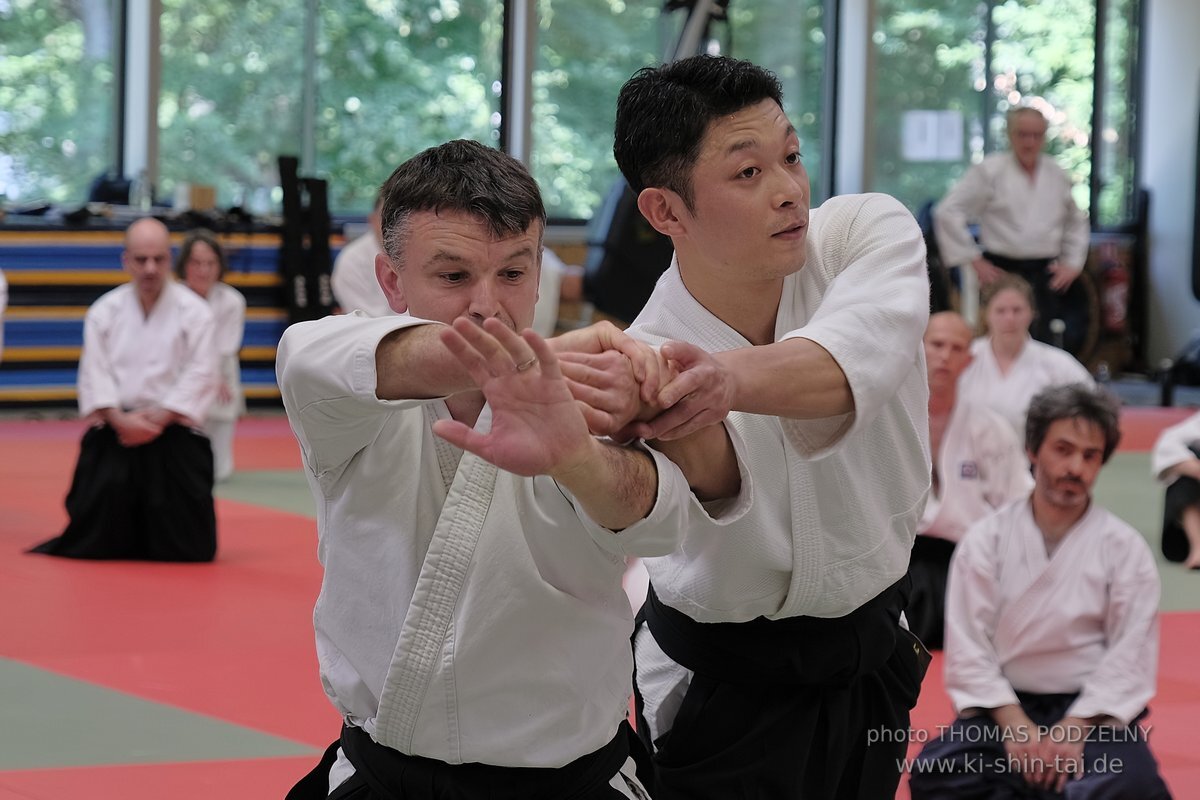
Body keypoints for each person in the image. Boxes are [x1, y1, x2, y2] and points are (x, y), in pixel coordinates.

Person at [277, 139, 727, 800]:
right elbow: (311, 356)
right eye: (454, 276)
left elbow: (656, 530)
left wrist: (573, 454)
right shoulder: (339, 378)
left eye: (513, 274)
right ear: (392, 282)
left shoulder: (602, 390)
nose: (489, 305)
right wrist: (529, 361)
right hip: (385, 775)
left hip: (572, 781)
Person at [608, 54, 932, 799]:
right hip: (720, 681)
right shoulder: (649, 354)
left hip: (873, 645)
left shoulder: (863, 235)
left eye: (790, 156)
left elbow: (853, 361)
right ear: (666, 212)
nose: (789, 190)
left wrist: (723, 382)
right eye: (747, 173)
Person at [909, 383, 1171, 799]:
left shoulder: (1124, 548)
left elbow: (1130, 653)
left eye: (1090, 456)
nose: (1076, 468)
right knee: (938, 772)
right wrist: (1016, 727)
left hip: (1092, 711)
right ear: (1032, 450)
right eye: (1062, 450)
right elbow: (969, 646)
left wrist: (1075, 727)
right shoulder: (986, 540)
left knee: (1132, 785)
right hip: (1004, 708)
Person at [30, 217, 219, 561]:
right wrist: (120, 419)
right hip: (117, 432)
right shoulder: (105, 311)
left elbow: (202, 371)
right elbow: (94, 373)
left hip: (173, 432)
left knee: (191, 548)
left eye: (159, 259)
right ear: (126, 260)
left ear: (170, 259)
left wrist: (160, 418)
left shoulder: (196, 312)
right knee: (95, 541)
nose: (150, 268)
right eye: (141, 259)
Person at [907, 311, 1032, 650]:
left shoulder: (990, 428)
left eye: (956, 348)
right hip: (904, 556)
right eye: (937, 345)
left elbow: (1018, 501)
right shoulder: (889, 420)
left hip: (968, 556)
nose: (945, 356)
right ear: (918, 347)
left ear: (969, 359)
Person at [933, 106, 1091, 350]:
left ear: (1044, 136)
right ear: (1010, 134)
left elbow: (1077, 220)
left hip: (1044, 270)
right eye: (1023, 134)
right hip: (1000, 269)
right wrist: (972, 258)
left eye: (1036, 135)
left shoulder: (1055, 173)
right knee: (997, 339)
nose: (1030, 142)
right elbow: (947, 211)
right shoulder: (990, 171)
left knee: (1045, 339)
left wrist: (1073, 262)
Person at [957, 273, 1093, 438]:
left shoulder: (1056, 364)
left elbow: (1093, 406)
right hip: (971, 457)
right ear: (986, 315)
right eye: (1000, 311)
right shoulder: (966, 358)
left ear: (1032, 313)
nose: (1010, 318)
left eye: (1017, 310)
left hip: (1033, 459)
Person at [176, 229, 246, 482]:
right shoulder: (173, 298)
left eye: (210, 263)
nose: (203, 270)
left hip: (221, 372)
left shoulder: (232, 301)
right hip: (180, 372)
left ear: (219, 266)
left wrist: (214, 376)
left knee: (218, 471)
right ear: (184, 265)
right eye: (196, 263)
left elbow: (227, 346)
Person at [1151, 409, 1200, 568]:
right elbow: (1168, 442)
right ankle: (1198, 546)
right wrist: (1194, 468)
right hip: (1181, 539)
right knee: (1183, 470)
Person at [330, 192, 391, 317]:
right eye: (386, 218)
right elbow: (365, 317)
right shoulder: (352, 260)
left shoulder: (417, 253)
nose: (392, 226)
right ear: (372, 220)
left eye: (399, 218)